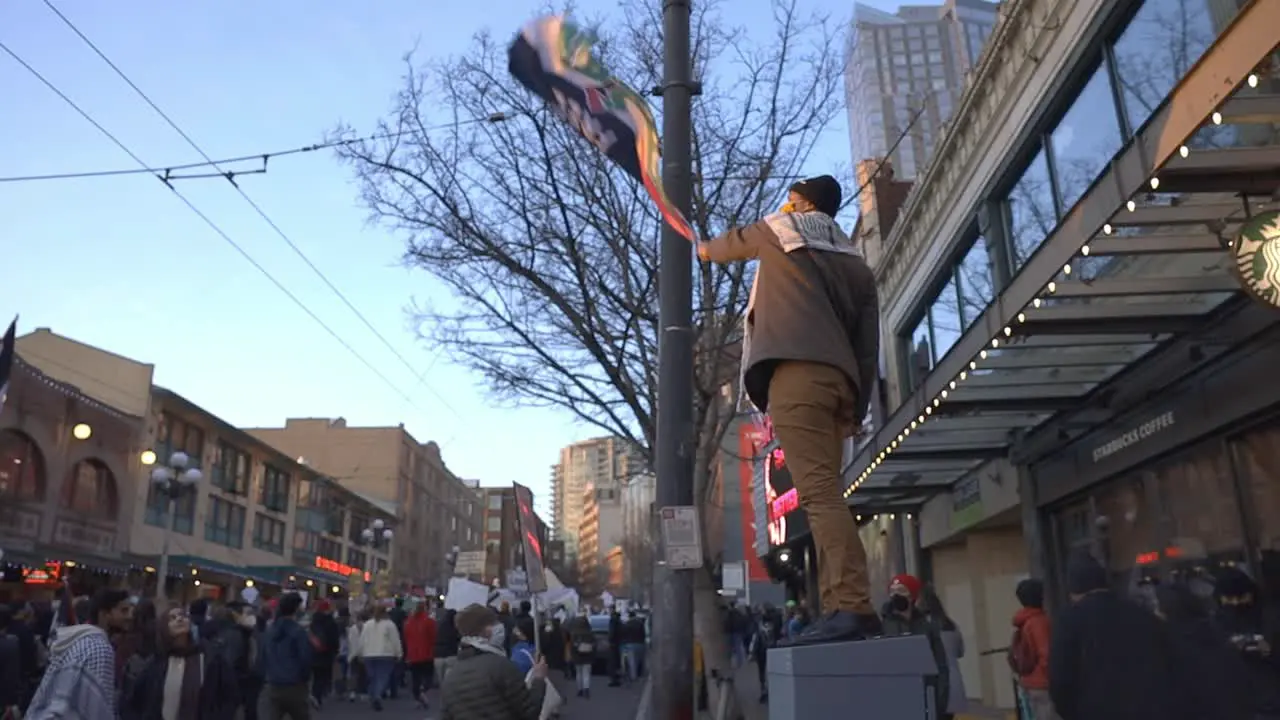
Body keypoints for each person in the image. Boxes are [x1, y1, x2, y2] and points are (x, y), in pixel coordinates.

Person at [697, 175, 882, 645]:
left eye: (792, 197)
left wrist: (700, 249)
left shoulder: (782, 231)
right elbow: (867, 346)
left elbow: (731, 244)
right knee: (826, 495)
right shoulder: (857, 264)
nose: (785, 202)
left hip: (795, 377)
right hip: (837, 382)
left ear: (802, 204)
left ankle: (853, 605)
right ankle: (838, 605)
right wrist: (856, 407)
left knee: (819, 497)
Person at [1048, 550, 1180, 720]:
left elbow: (1061, 680)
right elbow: (1168, 660)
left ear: (1074, 590)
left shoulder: (1069, 619)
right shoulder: (1140, 613)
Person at [25, 588, 132, 720]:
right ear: (104, 614)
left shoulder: (81, 640)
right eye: (123, 611)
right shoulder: (100, 648)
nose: (129, 616)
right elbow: (97, 707)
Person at [1153, 584, 1252, 720]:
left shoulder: (1172, 647)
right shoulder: (1213, 633)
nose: (1155, 612)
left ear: (1168, 611)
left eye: (1158, 606)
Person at [125, 604, 239, 720]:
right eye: (172, 618)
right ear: (164, 627)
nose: (179, 619)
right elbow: (134, 702)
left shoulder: (210, 659)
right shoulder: (155, 664)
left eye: (183, 616)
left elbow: (229, 696)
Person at [440, 603, 546, 720]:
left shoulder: (450, 676)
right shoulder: (502, 666)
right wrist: (539, 680)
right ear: (487, 631)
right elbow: (529, 712)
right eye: (495, 623)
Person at [880, 575, 950, 719]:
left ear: (912, 596)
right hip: (894, 703)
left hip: (925, 701)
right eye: (892, 591)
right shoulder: (882, 628)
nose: (896, 595)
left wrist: (939, 704)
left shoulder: (926, 627)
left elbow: (941, 666)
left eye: (901, 590)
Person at [258, 592, 314, 720]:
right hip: (295, 685)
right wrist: (305, 679)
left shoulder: (270, 630)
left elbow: (263, 655)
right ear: (296, 608)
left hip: (273, 683)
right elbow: (305, 658)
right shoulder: (298, 632)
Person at [1009, 579, 1055, 720]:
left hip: (1029, 681)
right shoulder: (1038, 622)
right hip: (1042, 684)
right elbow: (1046, 654)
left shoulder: (1025, 622)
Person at [919, 585, 967, 720]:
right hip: (953, 681)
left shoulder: (921, 626)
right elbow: (960, 652)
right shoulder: (950, 624)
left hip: (932, 682)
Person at [359, 605, 403, 711]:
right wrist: (399, 653)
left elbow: (362, 639)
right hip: (385, 654)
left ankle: (373, 695)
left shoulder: (367, 624)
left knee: (372, 677)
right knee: (382, 677)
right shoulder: (390, 625)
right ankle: (377, 696)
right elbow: (395, 640)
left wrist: (360, 652)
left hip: (369, 654)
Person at [404, 600, 438, 709]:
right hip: (427, 653)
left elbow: (406, 638)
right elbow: (433, 637)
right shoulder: (430, 621)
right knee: (428, 676)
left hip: (413, 654)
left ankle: (418, 697)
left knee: (415, 677)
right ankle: (423, 691)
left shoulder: (408, 622)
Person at [307, 600, 340, 709]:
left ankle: (314, 693)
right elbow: (334, 639)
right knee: (323, 676)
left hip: (313, 653)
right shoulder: (330, 622)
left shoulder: (313, 622)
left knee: (316, 675)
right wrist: (335, 651)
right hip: (326, 653)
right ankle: (317, 696)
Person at [564, 607, 596, 698]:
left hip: (577, 655)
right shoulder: (590, 632)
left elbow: (572, 645)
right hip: (588, 656)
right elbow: (594, 644)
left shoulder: (574, 633)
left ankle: (580, 689)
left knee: (579, 672)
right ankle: (586, 689)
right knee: (586, 673)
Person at [433, 608, 460, 689]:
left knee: (441, 680)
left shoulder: (437, 625)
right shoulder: (454, 628)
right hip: (451, 654)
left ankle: (443, 695)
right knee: (451, 680)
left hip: (438, 654)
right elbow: (458, 638)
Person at [619, 611, 646, 683]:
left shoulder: (627, 624)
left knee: (632, 662)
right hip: (640, 644)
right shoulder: (640, 623)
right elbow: (643, 634)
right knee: (640, 661)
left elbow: (623, 634)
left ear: (629, 617)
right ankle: (641, 676)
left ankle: (634, 677)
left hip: (630, 644)